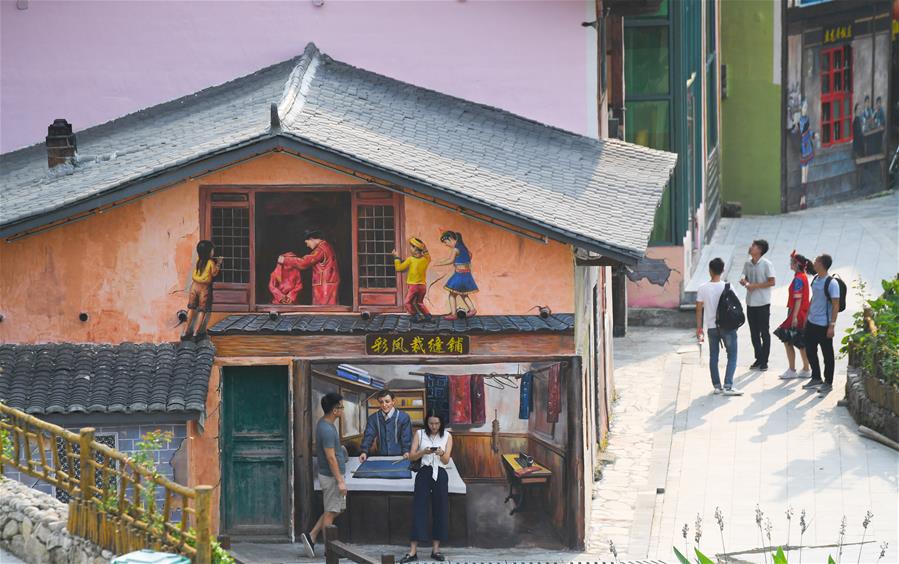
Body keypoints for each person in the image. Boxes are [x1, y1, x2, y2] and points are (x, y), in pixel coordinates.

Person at [399, 411, 453, 563]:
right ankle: (412, 551)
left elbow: (446, 460)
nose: (434, 426)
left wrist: (441, 453)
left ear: (441, 423)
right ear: (426, 423)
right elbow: (411, 456)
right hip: (423, 473)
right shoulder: (420, 434)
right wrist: (423, 451)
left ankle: (435, 550)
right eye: (431, 423)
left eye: (437, 423)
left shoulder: (447, 436)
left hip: (440, 474)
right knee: (419, 508)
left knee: (440, 509)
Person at [301, 392, 347, 558]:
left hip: (332, 475)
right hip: (331, 477)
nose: (343, 410)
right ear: (335, 410)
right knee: (331, 511)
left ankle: (312, 535)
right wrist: (340, 481)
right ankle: (330, 550)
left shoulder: (326, 424)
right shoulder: (327, 429)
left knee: (333, 509)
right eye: (341, 407)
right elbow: (330, 457)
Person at [696, 258, 742, 396]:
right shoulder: (728, 287)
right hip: (728, 327)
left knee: (713, 356)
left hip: (711, 328)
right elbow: (737, 306)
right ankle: (728, 385)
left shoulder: (702, 288)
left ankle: (717, 386)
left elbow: (698, 309)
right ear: (722, 270)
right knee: (732, 355)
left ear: (710, 270)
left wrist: (699, 328)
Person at [802, 254, 841, 396]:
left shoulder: (832, 283)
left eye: (816, 261)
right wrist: (807, 315)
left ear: (822, 264)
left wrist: (832, 325)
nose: (814, 262)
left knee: (827, 354)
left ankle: (828, 382)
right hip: (812, 322)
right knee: (810, 351)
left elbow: (836, 305)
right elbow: (814, 297)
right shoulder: (816, 279)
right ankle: (816, 377)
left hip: (824, 325)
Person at [278, 229, 340, 305]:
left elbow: (304, 263)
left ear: (312, 239)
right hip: (328, 285)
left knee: (322, 311)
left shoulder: (320, 250)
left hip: (324, 288)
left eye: (307, 242)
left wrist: (285, 260)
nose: (307, 245)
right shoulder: (327, 246)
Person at [740, 239, 776, 371]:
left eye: (754, 246)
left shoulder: (767, 264)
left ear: (760, 250)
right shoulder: (747, 264)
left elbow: (772, 282)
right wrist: (744, 281)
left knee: (764, 332)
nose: (751, 248)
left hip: (763, 302)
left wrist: (755, 286)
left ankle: (764, 360)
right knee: (753, 333)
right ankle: (758, 358)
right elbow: (745, 277)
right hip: (750, 302)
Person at [777, 252, 813, 379]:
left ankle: (792, 369)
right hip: (802, 312)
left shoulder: (798, 278)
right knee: (800, 341)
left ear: (797, 264)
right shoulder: (802, 276)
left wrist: (794, 316)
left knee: (788, 340)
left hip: (796, 312)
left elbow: (798, 299)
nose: (790, 264)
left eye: (792, 262)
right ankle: (806, 368)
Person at [181, 240, 222, 341]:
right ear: (208, 252)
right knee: (202, 310)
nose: (213, 252)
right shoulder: (210, 263)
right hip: (204, 288)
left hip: (194, 286)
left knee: (191, 309)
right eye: (212, 250)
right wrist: (219, 264)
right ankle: (195, 333)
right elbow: (214, 273)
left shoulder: (199, 261)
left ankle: (184, 332)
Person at [359, 390, 413, 463]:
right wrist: (364, 452)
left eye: (387, 401)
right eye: (381, 402)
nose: (384, 405)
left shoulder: (403, 417)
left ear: (393, 401)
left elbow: (406, 437)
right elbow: (368, 436)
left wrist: (406, 451)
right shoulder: (373, 418)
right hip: (381, 457)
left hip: (400, 457)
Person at [435, 231, 479, 319]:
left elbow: (450, 260)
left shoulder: (455, 249)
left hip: (459, 275)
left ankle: (454, 314)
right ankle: (472, 309)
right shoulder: (464, 248)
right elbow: (470, 255)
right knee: (463, 294)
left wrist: (438, 263)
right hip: (467, 274)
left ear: (450, 239)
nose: (446, 245)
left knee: (452, 294)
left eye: (446, 242)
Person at [393, 237, 433, 322]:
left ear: (415, 248)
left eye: (411, 246)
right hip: (422, 286)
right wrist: (424, 248)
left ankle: (415, 316)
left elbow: (398, 268)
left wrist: (396, 258)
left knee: (407, 302)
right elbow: (427, 255)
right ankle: (428, 316)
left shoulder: (410, 259)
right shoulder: (426, 259)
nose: (410, 248)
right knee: (419, 302)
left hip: (413, 286)